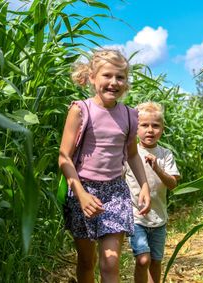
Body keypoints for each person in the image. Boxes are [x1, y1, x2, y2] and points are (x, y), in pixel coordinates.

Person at [58, 49, 151, 283]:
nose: (113, 82)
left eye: (120, 77)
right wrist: (81, 195)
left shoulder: (130, 116)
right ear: (92, 77)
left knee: (110, 263)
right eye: (107, 75)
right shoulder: (80, 110)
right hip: (83, 192)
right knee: (87, 262)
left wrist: (145, 186)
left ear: (126, 82)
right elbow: (64, 158)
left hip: (115, 192)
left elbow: (132, 155)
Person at [124, 102, 180, 283]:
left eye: (155, 126)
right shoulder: (130, 153)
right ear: (135, 129)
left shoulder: (165, 154)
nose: (150, 130)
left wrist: (158, 168)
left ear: (162, 129)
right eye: (144, 125)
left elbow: (173, 184)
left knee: (155, 262)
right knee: (143, 260)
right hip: (136, 216)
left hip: (159, 218)